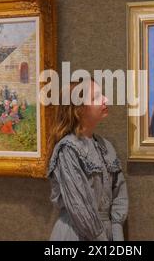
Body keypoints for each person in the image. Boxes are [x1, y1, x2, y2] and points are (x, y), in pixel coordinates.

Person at [47, 79, 128, 241]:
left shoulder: (106, 146)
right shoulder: (68, 149)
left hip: (107, 233)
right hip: (77, 234)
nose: (106, 99)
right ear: (79, 109)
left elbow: (119, 192)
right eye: (96, 97)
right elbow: (79, 206)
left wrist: (117, 232)